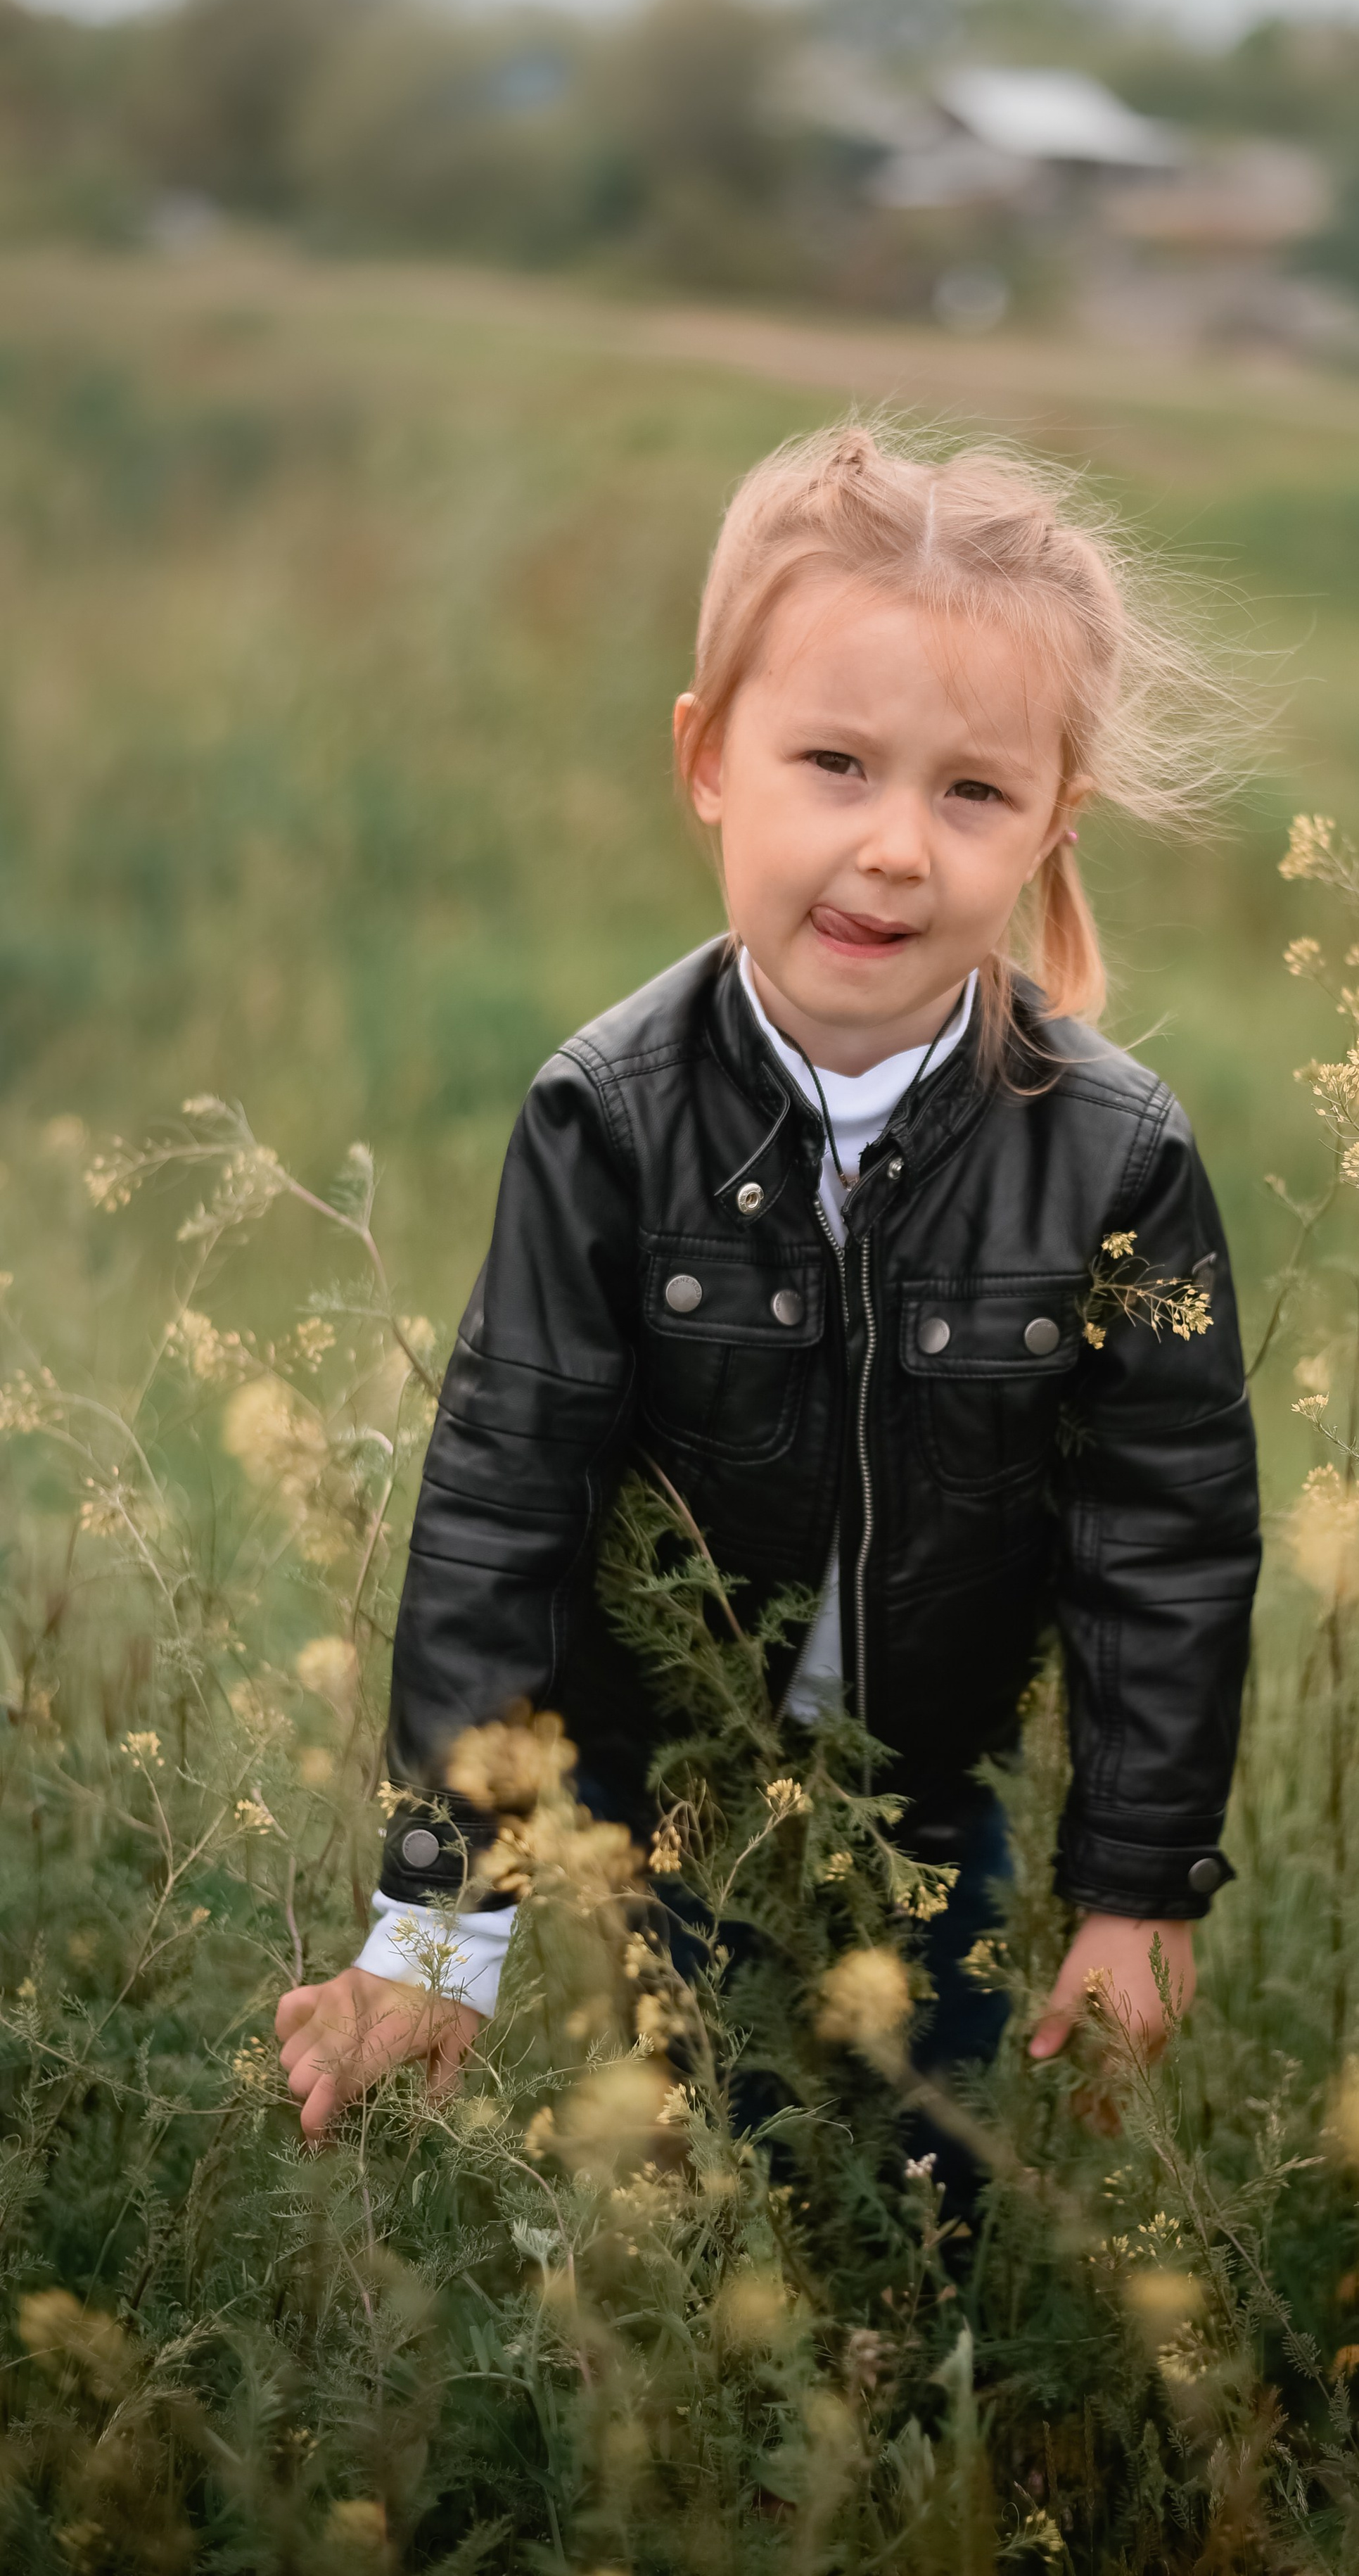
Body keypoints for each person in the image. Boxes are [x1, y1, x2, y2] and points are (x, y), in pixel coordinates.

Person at [275, 421, 1261, 2145]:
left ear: (1050, 824)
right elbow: (505, 1500)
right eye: (833, 764)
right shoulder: (609, 1116)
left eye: (971, 792)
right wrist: (437, 1923)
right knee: (688, 2173)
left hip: (921, 1786)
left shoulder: (1115, 1158)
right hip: (663, 1781)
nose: (895, 848)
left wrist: (1137, 1893)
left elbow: (1161, 1540)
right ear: (708, 759)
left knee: (915, 2184)